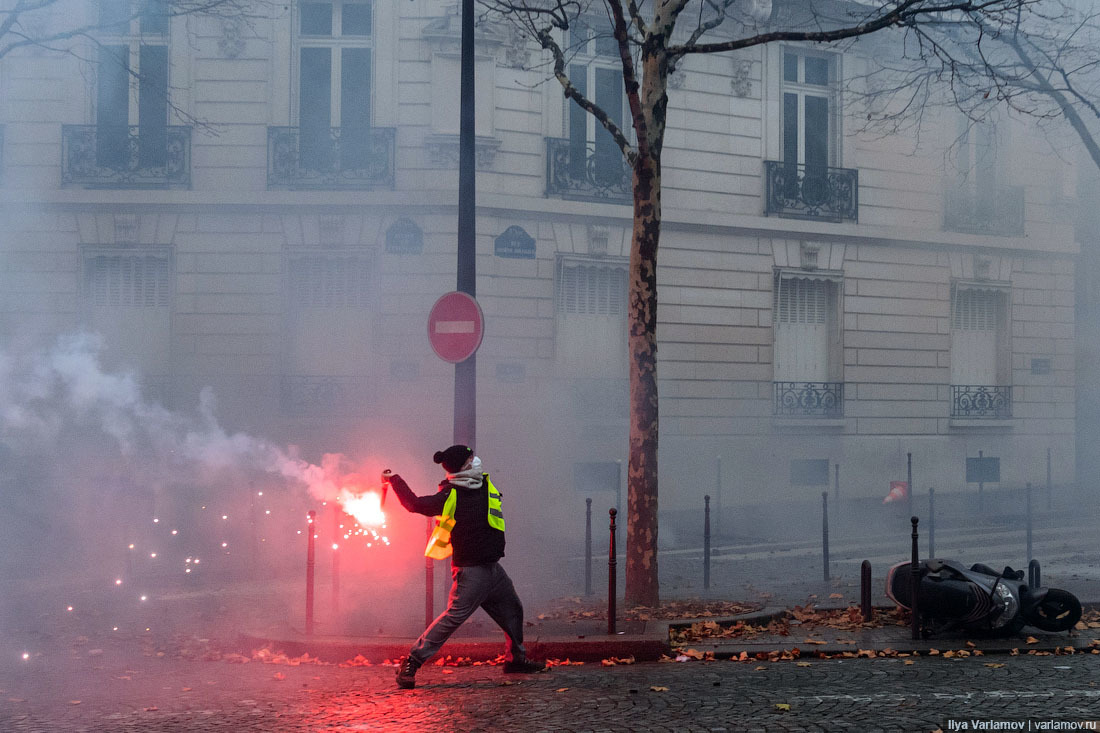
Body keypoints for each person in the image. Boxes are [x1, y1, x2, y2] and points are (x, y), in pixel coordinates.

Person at [384, 444, 547, 689]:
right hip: (471, 572)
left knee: (513, 609)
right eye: (471, 458)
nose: (476, 460)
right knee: (452, 619)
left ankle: (516, 660)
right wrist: (394, 480)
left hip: (493, 569)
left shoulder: (481, 484)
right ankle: (412, 662)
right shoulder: (450, 494)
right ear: (465, 465)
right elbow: (414, 504)